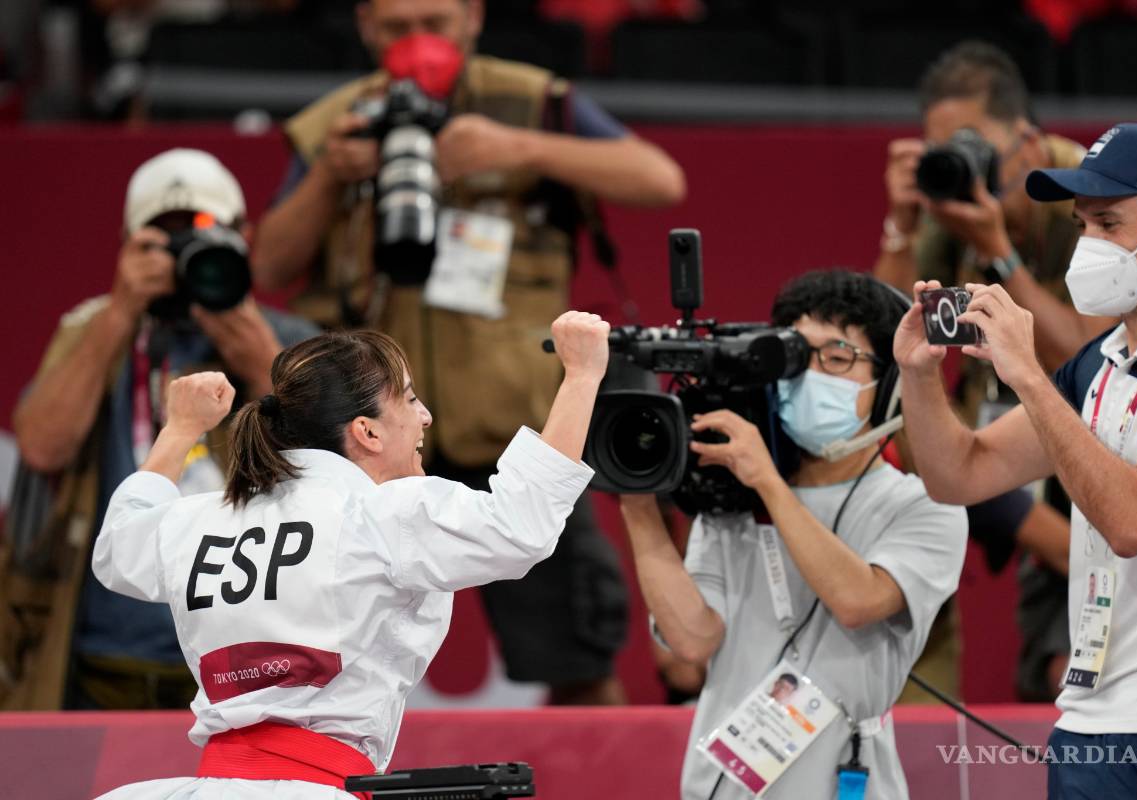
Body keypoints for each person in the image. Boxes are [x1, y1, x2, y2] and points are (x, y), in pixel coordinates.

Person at [252, 0, 686, 705]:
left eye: (436, 21)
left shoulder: (532, 100)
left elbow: (660, 179)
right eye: (395, 27)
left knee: (574, 650)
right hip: (371, 442)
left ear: (475, 18)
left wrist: (524, 149)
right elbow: (268, 268)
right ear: (363, 25)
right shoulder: (336, 122)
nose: (418, 41)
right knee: (336, 655)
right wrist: (334, 172)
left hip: (513, 428)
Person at [92, 311, 608, 798]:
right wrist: (581, 377)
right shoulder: (379, 513)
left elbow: (118, 547)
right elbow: (522, 524)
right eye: (408, 400)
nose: (425, 416)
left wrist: (181, 429)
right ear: (367, 431)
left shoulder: (200, 519)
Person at [896, 123, 1137, 799]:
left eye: (1110, 223)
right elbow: (959, 475)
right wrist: (917, 376)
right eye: (1082, 223)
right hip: (1096, 722)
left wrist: (1029, 377)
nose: (1090, 244)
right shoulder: (1100, 363)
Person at [620, 271, 967, 800]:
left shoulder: (924, 506)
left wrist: (768, 482)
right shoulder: (732, 499)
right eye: (797, 356)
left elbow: (858, 599)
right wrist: (637, 501)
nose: (812, 375)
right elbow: (692, 640)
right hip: (720, 787)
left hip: (844, 785)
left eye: (837, 358)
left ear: (890, 382)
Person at [1, 148, 318, 711]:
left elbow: (344, 473)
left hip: (243, 672)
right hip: (100, 664)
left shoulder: (289, 338)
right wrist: (121, 314)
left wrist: (259, 358)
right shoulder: (93, 329)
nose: (182, 260)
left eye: (202, 236)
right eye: (160, 242)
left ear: (244, 236)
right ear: (127, 247)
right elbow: (43, 446)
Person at [873, 40, 1098, 702]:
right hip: (997, 440)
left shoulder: (1087, 196)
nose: (961, 165)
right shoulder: (949, 203)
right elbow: (879, 344)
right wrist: (900, 223)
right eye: (945, 148)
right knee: (900, 459)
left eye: (975, 146)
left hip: (1092, 433)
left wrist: (998, 253)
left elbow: (1089, 363)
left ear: (1027, 144)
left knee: (1068, 667)